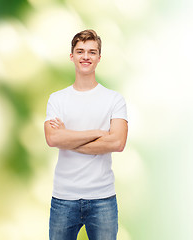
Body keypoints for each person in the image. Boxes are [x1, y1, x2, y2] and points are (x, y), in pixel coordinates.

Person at [44, 29, 128, 240]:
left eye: (92, 52)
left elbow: (117, 142)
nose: (86, 56)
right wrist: (98, 134)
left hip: (103, 198)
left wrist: (68, 138)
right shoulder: (57, 99)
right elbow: (53, 139)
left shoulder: (114, 99)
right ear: (71, 56)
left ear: (99, 57)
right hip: (64, 197)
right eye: (80, 51)